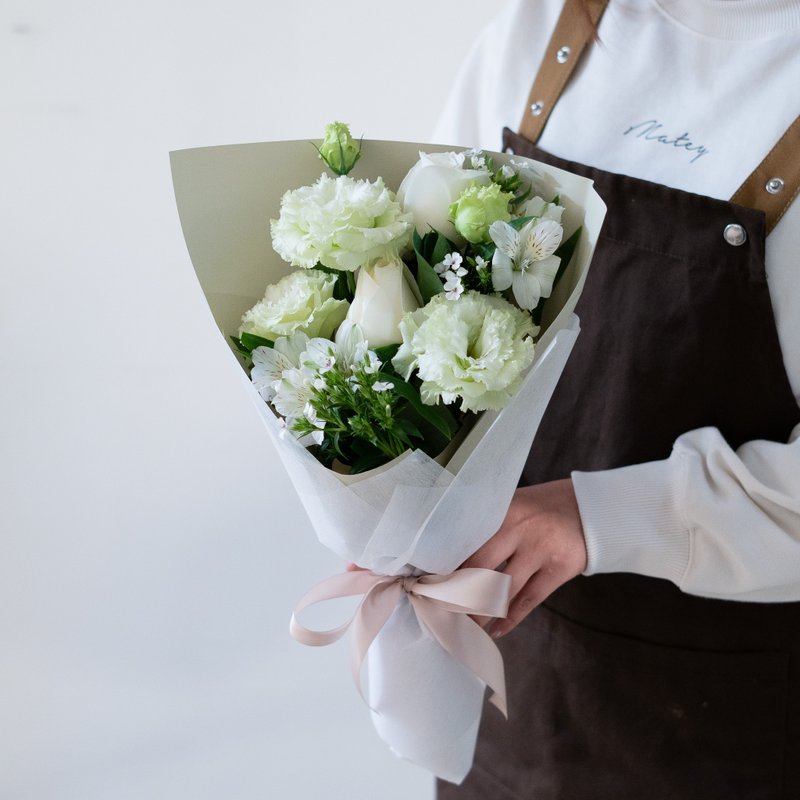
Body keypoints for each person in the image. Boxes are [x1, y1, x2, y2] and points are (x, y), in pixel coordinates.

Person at [432, 0, 800, 797]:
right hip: (511, 702)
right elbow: (420, 302)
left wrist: (597, 517)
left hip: (731, 729)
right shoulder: (538, 33)